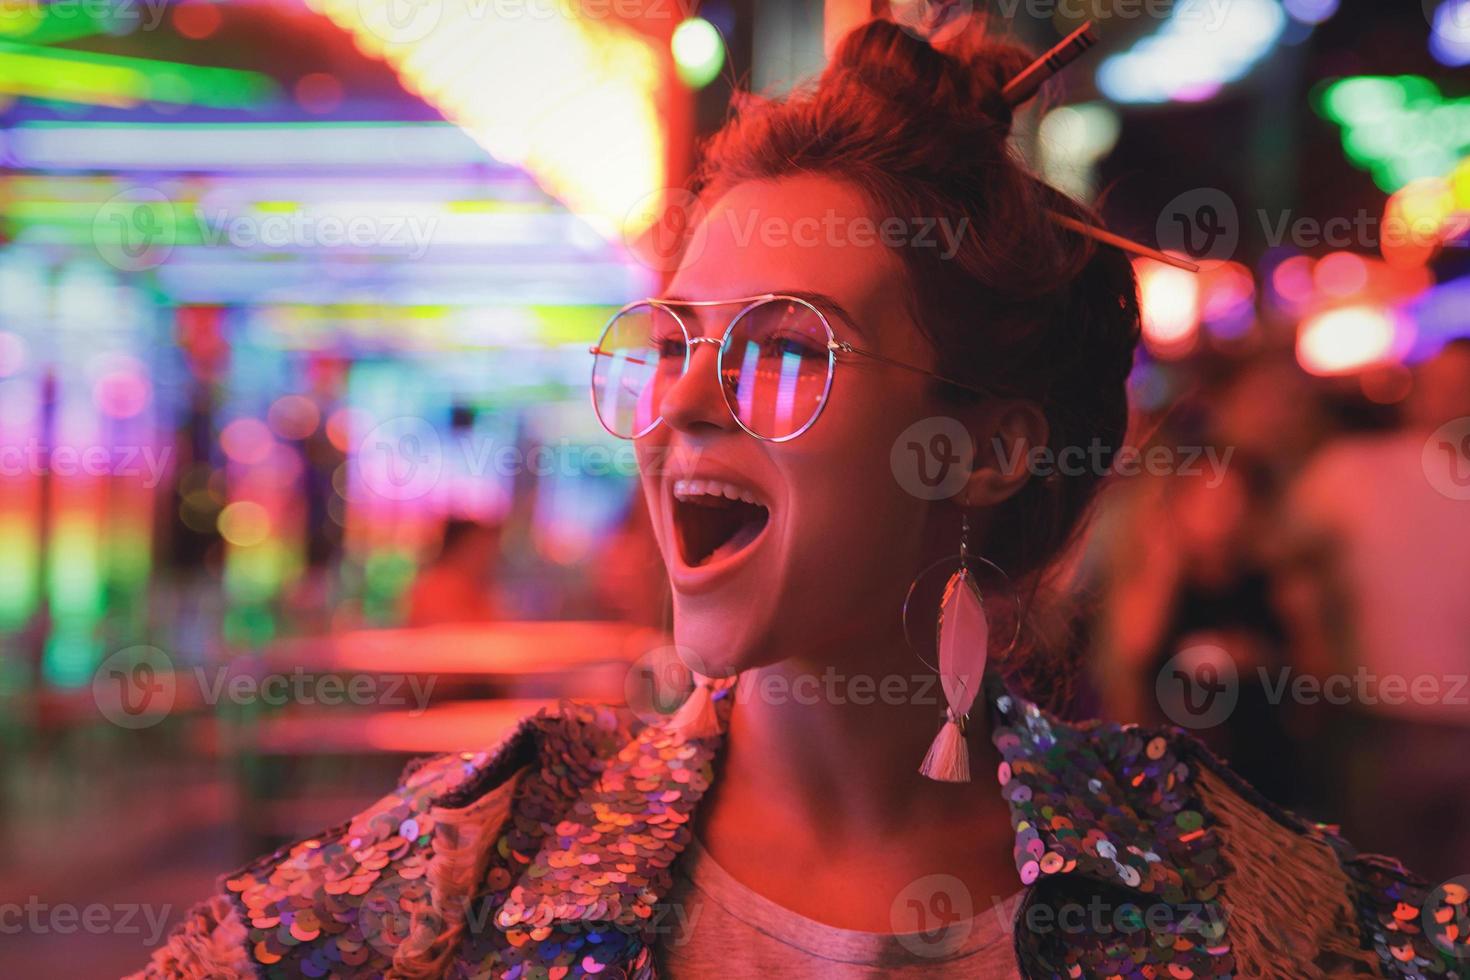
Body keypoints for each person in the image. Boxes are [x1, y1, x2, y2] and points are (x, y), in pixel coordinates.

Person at [132, 19, 1463, 979]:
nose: (684, 400)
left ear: (980, 449)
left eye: (782, 349)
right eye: (668, 342)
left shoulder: (1230, 899)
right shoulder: (461, 874)